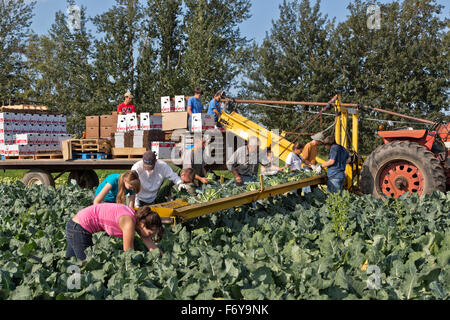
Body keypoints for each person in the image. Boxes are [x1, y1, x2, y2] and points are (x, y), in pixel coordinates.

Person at [65, 204, 163, 261]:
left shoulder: (136, 218)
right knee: (84, 265)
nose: (149, 236)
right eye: (150, 233)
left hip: (74, 225)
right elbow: (128, 253)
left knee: (72, 264)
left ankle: (69, 289)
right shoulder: (128, 222)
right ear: (143, 225)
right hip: (79, 228)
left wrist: (166, 259)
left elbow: (151, 246)